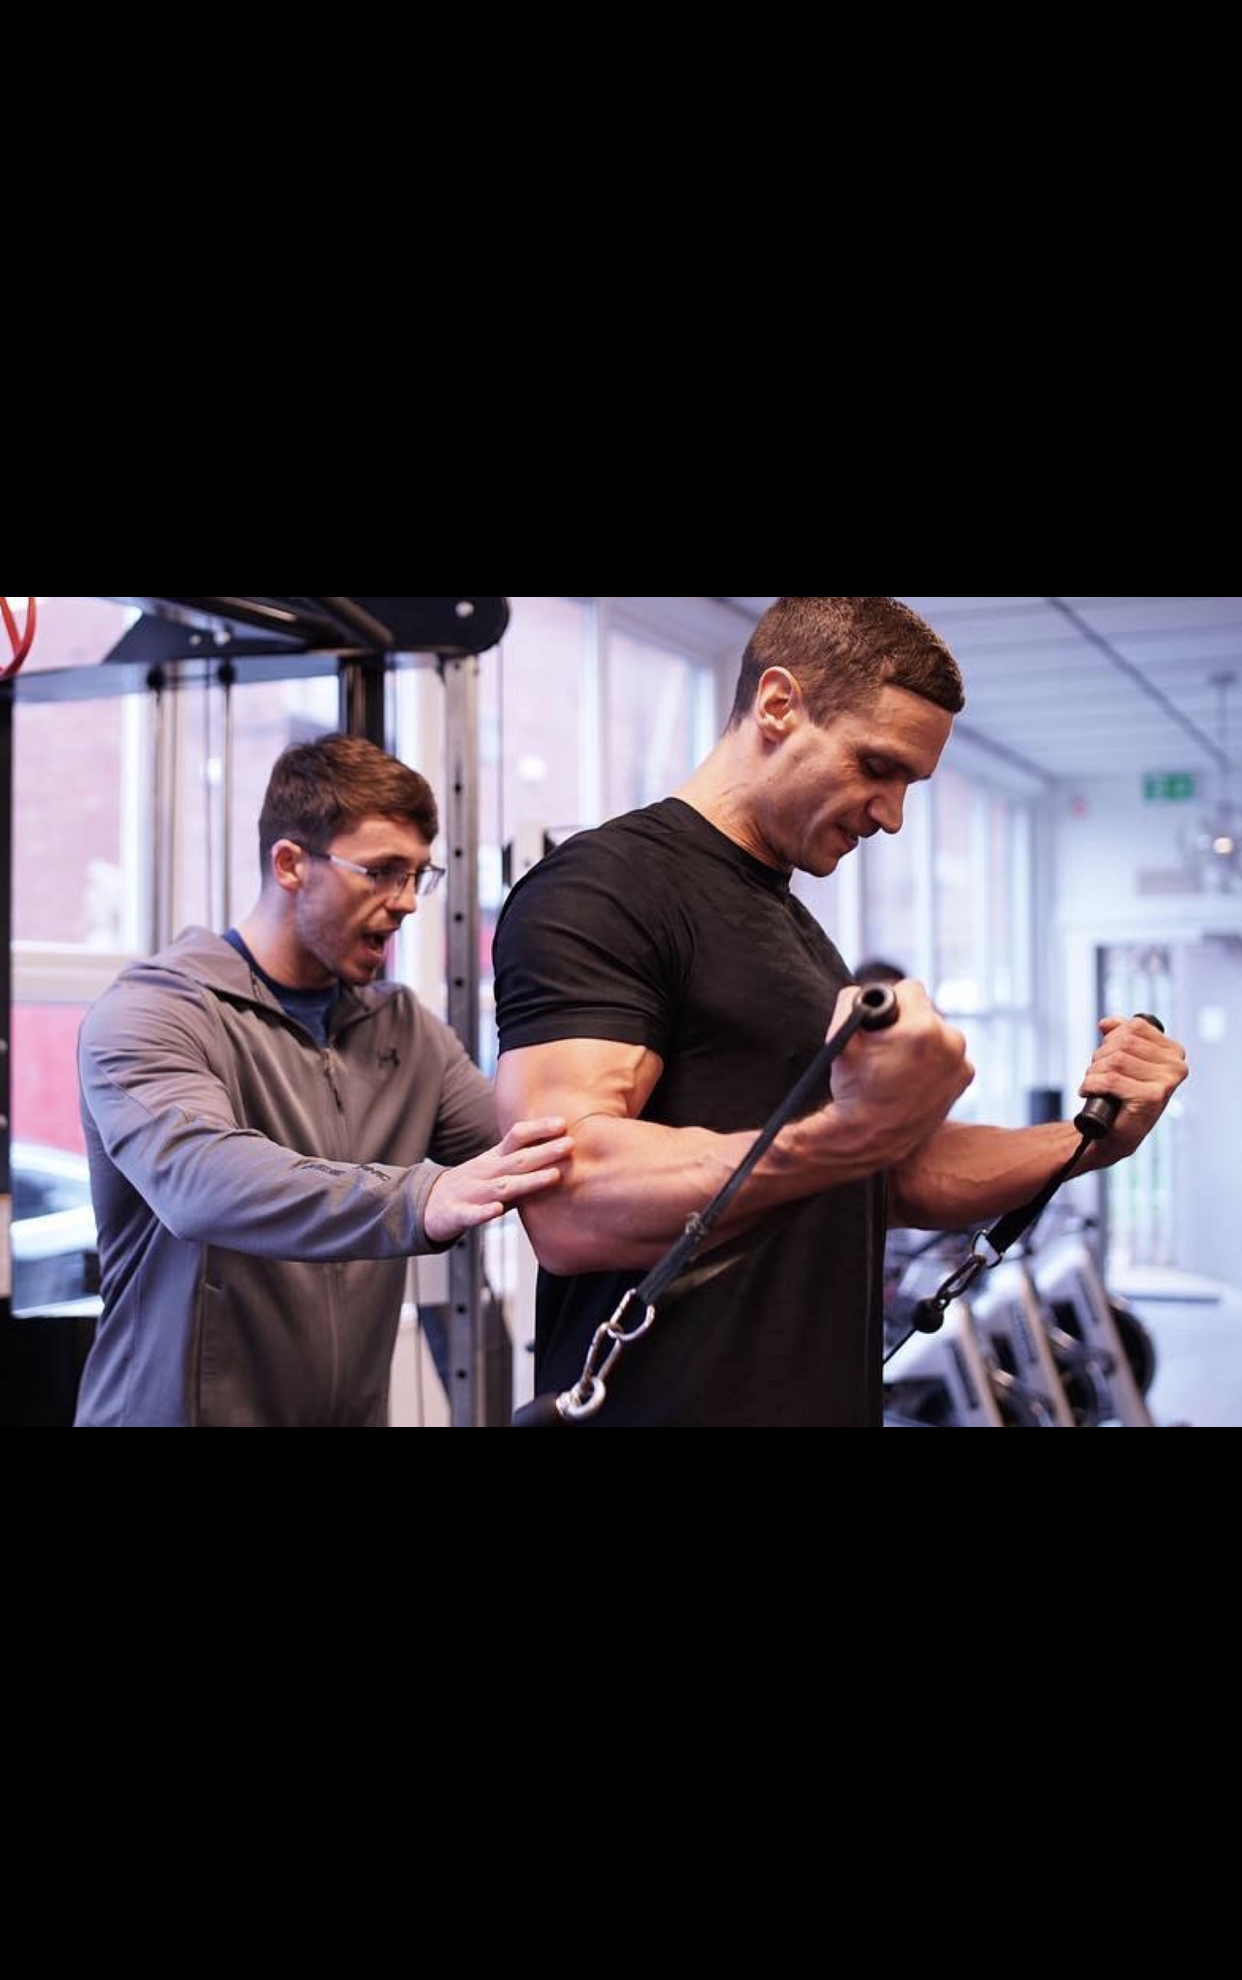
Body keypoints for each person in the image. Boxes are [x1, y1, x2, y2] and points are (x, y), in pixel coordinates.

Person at [492, 596, 1188, 1429]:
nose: (892, 816)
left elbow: (886, 1176)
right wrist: (852, 1133)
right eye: (877, 767)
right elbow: (568, 1205)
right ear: (778, 705)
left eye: (910, 786)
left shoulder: (794, 932)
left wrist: (1088, 1141)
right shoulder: (606, 887)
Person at [75, 734, 572, 1428]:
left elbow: (530, 1145)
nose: (406, 902)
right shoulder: (154, 1012)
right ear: (289, 865)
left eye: (419, 876)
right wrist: (421, 1196)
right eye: (382, 871)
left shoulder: (405, 1032)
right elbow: (200, 1181)